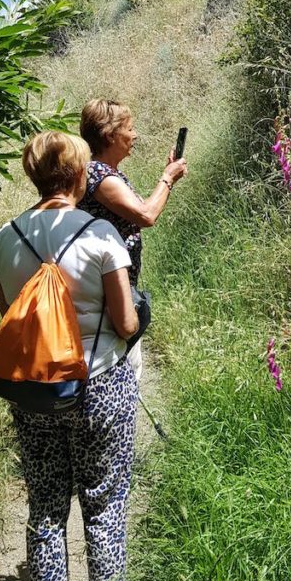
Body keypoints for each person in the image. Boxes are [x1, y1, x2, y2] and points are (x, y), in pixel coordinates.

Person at [0, 131, 146, 581]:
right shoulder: (101, 234)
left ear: (33, 176)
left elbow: (13, 319)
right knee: (104, 507)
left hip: (34, 392)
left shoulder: (4, 238)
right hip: (101, 386)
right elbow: (126, 323)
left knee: (46, 508)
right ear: (79, 175)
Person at [78, 98, 188, 380]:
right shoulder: (100, 175)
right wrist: (167, 177)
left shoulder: (109, 174)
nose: (135, 135)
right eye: (130, 128)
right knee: (125, 366)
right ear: (110, 135)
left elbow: (144, 209)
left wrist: (168, 180)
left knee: (126, 360)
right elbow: (146, 215)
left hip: (114, 282)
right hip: (108, 286)